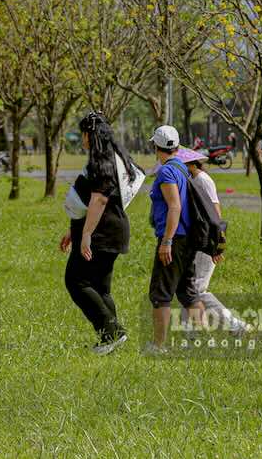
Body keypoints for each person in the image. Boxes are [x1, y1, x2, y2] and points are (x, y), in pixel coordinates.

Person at [60, 112, 137, 355]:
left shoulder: (101, 161)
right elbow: (90, 202)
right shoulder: (114, 157)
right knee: (101, 289)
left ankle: (111, 333)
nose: (82, 138)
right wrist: (73, 230)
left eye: (83, 133)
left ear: (89, 135)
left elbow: (100, 200)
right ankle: (112, 339)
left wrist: (86, 235)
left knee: (76, 281)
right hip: (110, 229)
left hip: (102, 233)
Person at [144, 125, 206, 354]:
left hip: (174, 239)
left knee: (160, 293)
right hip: (187, 238)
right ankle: (201, 341)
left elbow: (175, 206)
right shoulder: (182, 167)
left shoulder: (166, 172)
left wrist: (167, 241)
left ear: (156, 147)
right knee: (187, 291)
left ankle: (158, 346)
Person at [177, 149, 250, 337]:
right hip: (196, 240)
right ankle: (189, 331)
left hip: (206, 241)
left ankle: (234, 324)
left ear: (190, 164)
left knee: (197, 289)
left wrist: (216, 244)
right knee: (188, 286)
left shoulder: (202, 180)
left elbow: (215, 213)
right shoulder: (191, 180)